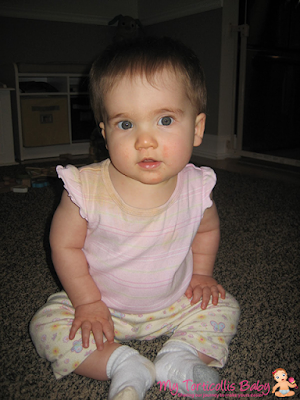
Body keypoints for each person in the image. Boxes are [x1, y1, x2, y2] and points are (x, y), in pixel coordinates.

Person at [30, 36, 240, 400]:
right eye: (126, 125)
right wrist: (86, 301)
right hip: (102, 305)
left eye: (164, 119)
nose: (145, 140)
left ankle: (180, 357)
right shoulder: (85, 189)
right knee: (44, 326)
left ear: (197, 128)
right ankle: (123, 365)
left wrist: (203, 274)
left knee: (224, 307)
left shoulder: (197, 187)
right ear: (105, 134)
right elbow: (63, 244)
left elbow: (207, 229)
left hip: (174, 301)